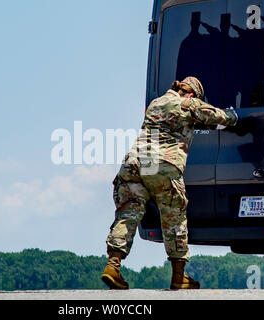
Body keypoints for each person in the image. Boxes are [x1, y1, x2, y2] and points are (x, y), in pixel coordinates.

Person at [101, 77, 238, 290]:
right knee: (174, 218)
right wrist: (234, 116)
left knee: (128, 215)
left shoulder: (156, 102)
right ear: (192, 94)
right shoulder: (189, 104)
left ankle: (113, 267)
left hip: (136, 162)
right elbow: (219, 117)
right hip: (162, 163)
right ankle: (179, 277)